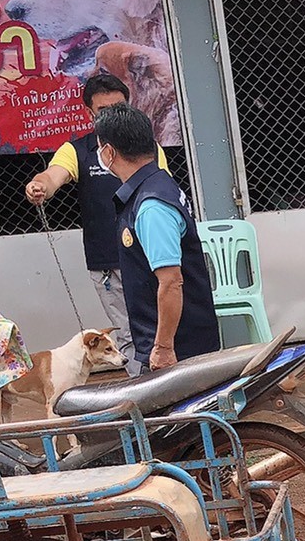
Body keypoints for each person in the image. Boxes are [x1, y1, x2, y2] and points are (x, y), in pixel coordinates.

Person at [23, 72, 171, 375]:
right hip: (108, 262)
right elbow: (52, 176)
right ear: (89, 112)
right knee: (129, 336)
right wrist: (39, 187)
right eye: (104, 110)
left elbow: (164, 191)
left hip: (151, 257)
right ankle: (146, 392)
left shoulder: (149, 149)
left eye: (119, 108)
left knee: (164, 330)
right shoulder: (77, 150)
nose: (112, 116)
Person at [92, 103, 221, 372]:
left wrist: (163, 347)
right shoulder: (154, 186)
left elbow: (171, 281)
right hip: (173, 342)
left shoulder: (151, 205)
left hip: (179, 351)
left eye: (99, 147)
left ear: (109, 152)